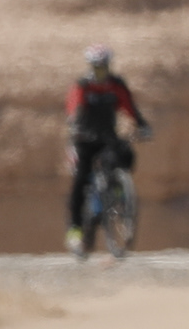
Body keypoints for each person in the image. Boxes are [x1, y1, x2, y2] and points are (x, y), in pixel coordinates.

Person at [63, 46, 146, 255]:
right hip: (85, 139)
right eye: (96, 67)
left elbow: (130, 108)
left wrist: (142, 125)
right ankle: (75, 229)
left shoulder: (116, 86)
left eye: (103, 66)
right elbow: (73, 107)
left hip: (108, 137)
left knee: (125, 155)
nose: (100, 70)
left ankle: (118, 190)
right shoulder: (84, 86)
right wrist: (74, 123)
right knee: (81, 180)